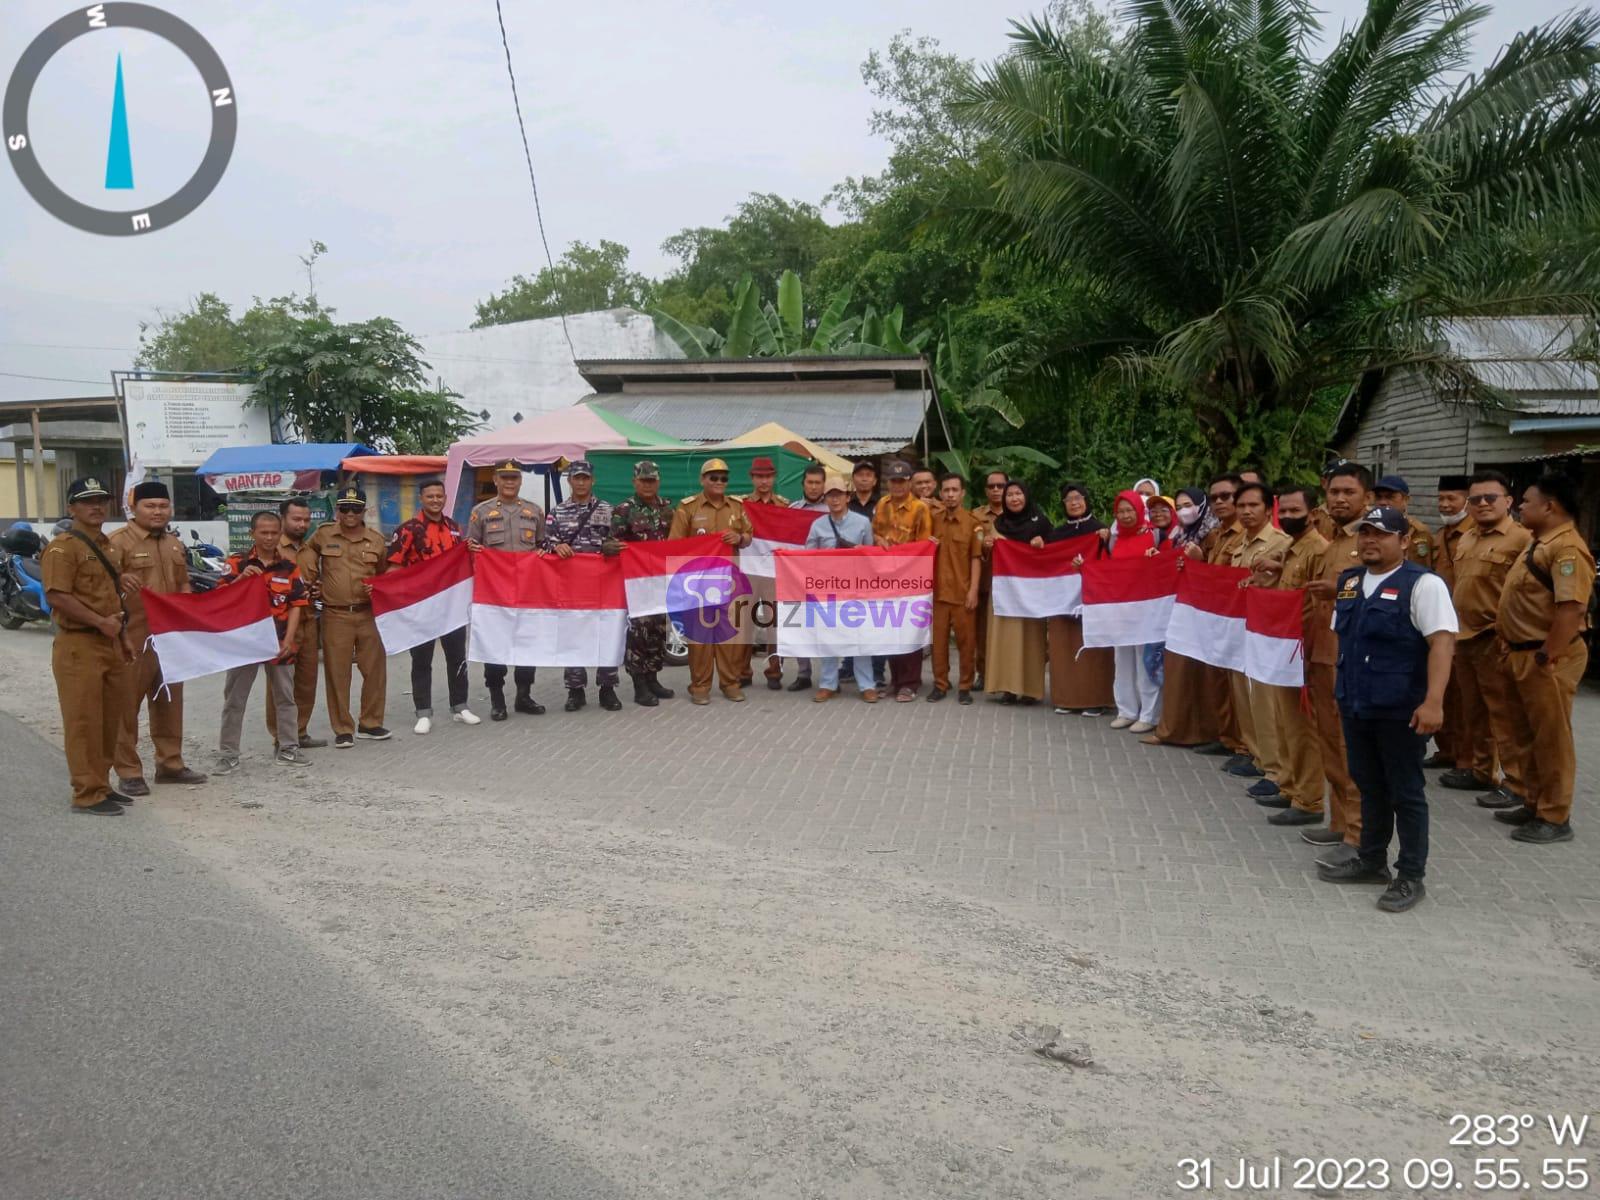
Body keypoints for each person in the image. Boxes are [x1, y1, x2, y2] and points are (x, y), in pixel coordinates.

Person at [1317, 506, 1456, 913]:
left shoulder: (1424, 585)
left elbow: (1443, 644)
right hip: (1357, 703)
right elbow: (1346, 642)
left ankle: (1410, 876)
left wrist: (1434, 702)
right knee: (1368, 785)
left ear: (1404, 540)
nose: (1370, 541)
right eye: (1365, 534)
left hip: (1402, 708)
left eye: (1381, 534)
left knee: (1406, 792)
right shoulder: (1350, 582)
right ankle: (1371, 860)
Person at [1491, 473, 1594, 845]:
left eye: (1527, 501)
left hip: (1547, 656)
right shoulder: (1538, 543)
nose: (1520, 506)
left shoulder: (1566, 549)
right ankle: (1533, 802)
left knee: (1551, 738)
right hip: (1523, 652)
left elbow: (1571, 608)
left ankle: (1554, 815)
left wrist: (1548, 654)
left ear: (1549, 506)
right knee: (1525, 735)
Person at [42, 477, 136, 814]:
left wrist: (122, 636)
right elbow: (57, 595)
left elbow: (112, 598)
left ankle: (101, 782)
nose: (96, 506)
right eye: (86, 501)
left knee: (110, 718)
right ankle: (86, 792)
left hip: (109, 643)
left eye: (101, 500)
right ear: (72, 508)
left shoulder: (108, 546)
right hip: (78, 645)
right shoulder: (62, 548)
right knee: (83, 721)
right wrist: (100, 623)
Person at [108, 479, 207, 795]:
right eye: (150, 506)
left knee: (168, 700)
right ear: (134, 508)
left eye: (163, 506)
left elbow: (183, 584)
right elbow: (100, 588)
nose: (157, 511)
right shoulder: (117, 544)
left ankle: (170, 764)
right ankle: (129, 771)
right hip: (133, 635)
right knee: (126, 704)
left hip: (169, 637)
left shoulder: (173, 544)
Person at [1439, 470, 1529, 803]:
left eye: (1490, 498)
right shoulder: (1467, 538)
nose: (1482, 504)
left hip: (1495, 637)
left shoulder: (1521, 539)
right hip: (1464, 637)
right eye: (1475, 499)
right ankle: (1480, 771)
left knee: (1504, 714)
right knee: (1472, 712)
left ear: (1508, 501)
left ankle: (1516, 782)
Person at [1298, 461, 1371, 865]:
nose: (1339, 499)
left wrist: (1339, 587)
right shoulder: (1334, 540)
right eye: (1334, 492)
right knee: (1329, 743)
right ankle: (1340, 823)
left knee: (1350, 749)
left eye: (1349, 493)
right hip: (1323, 654)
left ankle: (1360, 837)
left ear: (1367, 497)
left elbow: (1385, 591)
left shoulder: (1376, 540)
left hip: (1352, 658)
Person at [1248, 485, 1329, 827]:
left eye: (1297, 512)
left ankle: (1308, 801)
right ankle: (1290, 786)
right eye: (1286, 512)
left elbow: (1315, 605)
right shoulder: (1293, 549)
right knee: (1285, 723)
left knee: (1302, 729)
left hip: (1301, 650)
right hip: (1282, 647)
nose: (1289, 517)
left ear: (1313, 514)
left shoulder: (1319, 550)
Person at [214, 510, 312, 774]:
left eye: (273, 532)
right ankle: (228, 754)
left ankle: (288, 749)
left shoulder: (289, 567)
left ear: (280, 534)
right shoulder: (236, 563)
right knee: (235, 699)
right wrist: (242, 580)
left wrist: (289, 640)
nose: (269, 537)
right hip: (244, 644)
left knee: (285, 698)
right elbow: (219, 599)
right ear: (252, 534)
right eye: (263, 532)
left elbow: (297, 605)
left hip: (278, 641)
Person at [387, 478, 479, 733]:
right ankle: (423, 712)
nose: (436, 500)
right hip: (422, 605)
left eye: (440, 496)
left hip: (450, 605)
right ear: (422, 498)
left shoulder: (454, 527)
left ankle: (460, 706)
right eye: (430, 496)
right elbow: (394, 567)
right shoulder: (408, 529)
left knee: (457, 657)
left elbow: (460, 562)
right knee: (422, 659)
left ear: (445, 498)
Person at [302, 485, 391, 748]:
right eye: (345, 509)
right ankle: (342, 728)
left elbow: (384, 574)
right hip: (335, 614)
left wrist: (378, 586)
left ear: (364, 511)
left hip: (368, 613)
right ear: (337, 510)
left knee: (375, 671)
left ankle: (370, 723)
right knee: (337, 674)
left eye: (355, 509)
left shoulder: (376, 540)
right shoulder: (323, 535)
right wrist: (311, 580)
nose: (350, 514)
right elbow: (305, 555)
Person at [668, 458, 752, 704]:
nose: (719, 482)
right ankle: (700, 686)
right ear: (702, 480)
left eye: (723, 478)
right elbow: (676, 545)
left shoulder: (737, 507)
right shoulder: (687, 508)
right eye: (713, 477)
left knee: (729, 637)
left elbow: (749, 536)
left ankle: (730, 683)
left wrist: (739, 537)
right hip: (698, 584)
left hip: (729, 582)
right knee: (701, 638)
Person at [467, 460, 545, 720]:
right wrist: (471, 549)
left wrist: (544, 553)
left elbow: (542, 545)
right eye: (505, 477)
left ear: (520, 481)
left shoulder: (534, 511)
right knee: (495, 645)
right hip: (494, 595)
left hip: (527, 592)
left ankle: (523, 696)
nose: (510, 482)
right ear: (496, 480)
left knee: (527, 644)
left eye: (514, 477)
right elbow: (471, 547)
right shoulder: (481, 511)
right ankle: (497, 699)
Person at [1225, 482, 1291, 788]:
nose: (1247, 511)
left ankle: (1275, 769)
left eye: (1254, 505)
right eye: (1242, 506)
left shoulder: (1281, 543)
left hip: (1268, 634)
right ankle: (1256, 756)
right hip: (1242, 631)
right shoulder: (1240, 543)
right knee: (1245, 698)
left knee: (1266, 702)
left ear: (1268, 509)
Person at [546, 459, 622, 711]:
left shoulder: (606, 509)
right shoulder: (557, 512)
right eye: (576, 477)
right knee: (574, 634)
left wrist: (612, 547)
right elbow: (544, 543)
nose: (580, 482)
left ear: (592, 480)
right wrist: (555, 546)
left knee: (607, 632)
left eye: (585, 478)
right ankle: (576, 690)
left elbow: (619, 541)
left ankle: (607, 688)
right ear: (569, 480)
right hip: (571, 586)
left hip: (604, 584)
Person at [1144, 487, 1218, 746]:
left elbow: (1218, 571)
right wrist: (1160, 558)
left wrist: (1201, 559)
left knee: (1194, 672)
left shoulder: (1211, 534)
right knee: (1177, 669)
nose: (1184, 510)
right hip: (1182, 608)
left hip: (1202, 612)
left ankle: (1196, 731)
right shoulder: (1179, 534)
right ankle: (1173, 728)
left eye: (1189, 504)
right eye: (1180, 505)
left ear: (1201, 505)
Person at [804, 475, 879, 702]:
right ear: (825, 499)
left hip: (856, 588)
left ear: (848, 497)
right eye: (830, 495)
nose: (834, 499)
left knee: (860, 637)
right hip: (828, 589)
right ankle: (828, 684)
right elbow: (807, 557)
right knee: (828, 637)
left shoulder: (862, 522)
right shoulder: (817, 525)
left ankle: (866, 685)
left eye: (839, 494)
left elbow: (871, 555)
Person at [1188, 473, 1247, 759]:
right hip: (1217, 619)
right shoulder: (1216, 535)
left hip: (1239, 621)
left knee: (1240, 689)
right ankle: (1226, 737)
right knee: (1219, 681)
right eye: (1215, 498)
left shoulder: (1248, 534)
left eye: (1226, 496)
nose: (1220, 502)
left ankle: (1245, 745)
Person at [610, 459, 677, 707]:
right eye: (643, 480)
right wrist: (611, 547)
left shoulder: (668, 509)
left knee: (659, 630)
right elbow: (610, 542)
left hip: (661, 580)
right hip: (637, 582)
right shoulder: (624, 510)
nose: (648, 485)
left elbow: (678, 541)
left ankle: (653, 678)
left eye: (652, 480)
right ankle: (639, 684)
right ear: (634, 482)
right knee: (639, 632)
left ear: (658, 481)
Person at [1046, 482, 1114, 718]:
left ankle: (1095, 699)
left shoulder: (1101, 531)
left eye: (1079, 497)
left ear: (1086, 500)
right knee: (1063, 648)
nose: (1074, 502)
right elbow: (1047, 564)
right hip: (1062, 602)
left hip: (1092, 600)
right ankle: (1066, 698)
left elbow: (1112, 564)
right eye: (1069, 499)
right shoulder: (1056, 534)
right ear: (1063, 504)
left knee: (1093, 649)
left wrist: (1106, 540)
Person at [266, 496, 327, 749]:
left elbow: (313, 581)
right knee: (280, 684)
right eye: (296, 519)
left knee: (306, 680)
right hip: (280, 626)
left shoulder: (310, 551)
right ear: (283, 519)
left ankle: (299, 732)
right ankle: (281, 736)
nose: (302, 524)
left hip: (308, 621)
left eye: (306, 520)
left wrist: (315, 590)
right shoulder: (272, 548)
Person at [873, 459, 933, 701]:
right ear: (888, 483)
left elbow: (924, 545)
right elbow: (876, 530)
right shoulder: (882, 504)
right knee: (890, 628)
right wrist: (879, 540)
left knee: (910, 630)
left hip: (911, 578)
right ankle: (895, 680)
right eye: (894, 481)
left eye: (902, 481)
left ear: (910, 483)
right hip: (886, 577)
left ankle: (910, 683)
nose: (897, 486)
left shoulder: (920, 508)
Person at [985, 481, 1049, 704]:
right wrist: (987, 544)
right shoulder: (999, 524)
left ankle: (1031, 690)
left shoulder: (1040, 522)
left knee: (1031, 639)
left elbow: (1054, 551)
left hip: (1031, 591)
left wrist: (1043, 543)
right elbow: (987, 550)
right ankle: (1008, 688)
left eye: (1018, 493)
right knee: (1006, 637)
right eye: (1009, 494)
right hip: (1005, 590)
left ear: (1026, 495)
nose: (1014, 498)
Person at [1106, 489, 1163, 732]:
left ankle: (1149, 714)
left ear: (1140, 511)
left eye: (1130, 510)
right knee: (1122, 660)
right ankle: (1126, 710)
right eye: (1121, 511)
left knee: (1144, 660)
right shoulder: (1115, 537)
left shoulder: (1154, 533)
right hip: (1121, 606)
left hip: (1145, 607)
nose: (1126, 515)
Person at [1427, 475, 1472, 768]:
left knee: (1467, 700)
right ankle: (1446, 751)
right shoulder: (1440, 535)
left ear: (1465, 499)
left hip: (1469, 627)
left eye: (1451, 499)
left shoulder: (1473, 535)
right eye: (1441, 499)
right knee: (1446, 692)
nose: (1445, 504)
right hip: (1441, 623)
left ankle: (1469, 761)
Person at [927, 472, 983, 704]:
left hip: (962, 594)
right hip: (938, 594)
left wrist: (973, 591)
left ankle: (965, 686)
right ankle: (940, 684)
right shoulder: (933, 520)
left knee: (966, 643)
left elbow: (976, 558)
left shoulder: (973, 524)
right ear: (941, 493)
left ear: (962, 493)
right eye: (946, 490)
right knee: (938, 644)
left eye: (954, 490)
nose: (950, 495)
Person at [738, 456, 789, 689]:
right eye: (759, 476)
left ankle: (774, 671)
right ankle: (743, 671)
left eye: (768, 476)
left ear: (774, 477)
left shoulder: (784, 506)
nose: (764, 481)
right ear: (752, 477)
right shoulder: (741, 505)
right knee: (744, 623)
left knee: (774, 623)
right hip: (746, 571)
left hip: (772, 572)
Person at [971, 469, 1008, 688]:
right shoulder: (976, 515)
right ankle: (983, 673)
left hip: (1012, 585)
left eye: (1000, 486)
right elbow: (971, 545)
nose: (996, 490)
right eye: (991, 487)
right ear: (986, 490)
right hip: (985, 581)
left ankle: (1005, 675)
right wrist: (983, 547)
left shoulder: (1017, 512)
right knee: (982, 631)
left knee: (1007, 631)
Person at [1372, 476, 1434, 567]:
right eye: (1379, 497)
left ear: (1406, 500)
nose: (1383, 502)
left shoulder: (1418, 532)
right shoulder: (1366, 529)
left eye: (1390, 497)